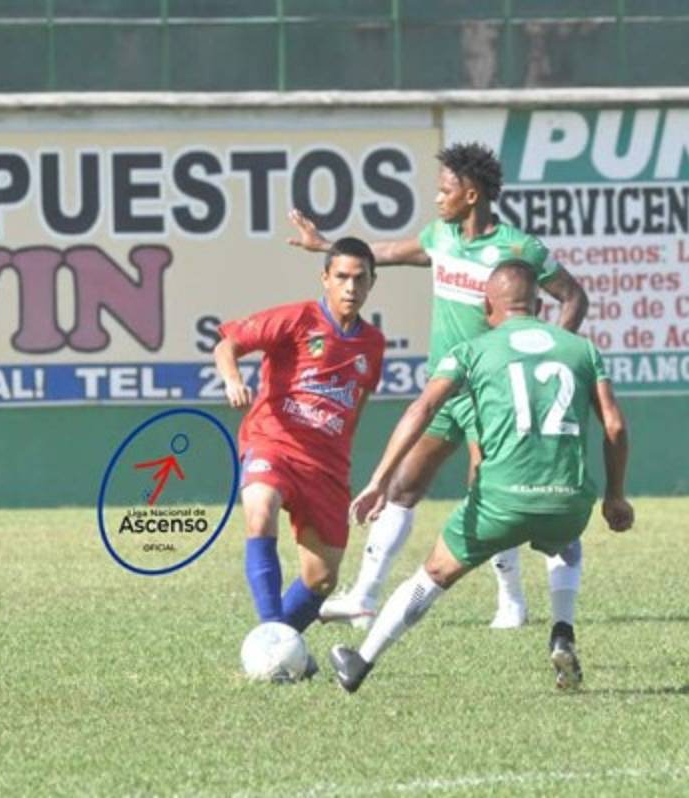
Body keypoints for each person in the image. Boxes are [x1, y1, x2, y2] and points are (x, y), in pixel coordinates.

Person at [288, 142, 590, 629]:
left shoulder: (518, 249)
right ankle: (365, 596)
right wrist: (325, 245)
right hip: (445, 387)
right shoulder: (440, 236)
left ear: (471, 195)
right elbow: (383, 252)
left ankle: (511, 601)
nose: (437, 199)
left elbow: (573, 296)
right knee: (404, 486)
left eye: (445, 190)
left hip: (492, 393)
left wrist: (546, 348)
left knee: (490, 489)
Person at [327, 262, 632, 693]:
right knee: (565, 539)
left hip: (500, 502)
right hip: (568, 501)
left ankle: (360, 661)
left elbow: (422, 410)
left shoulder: (471, 350)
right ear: (540, 305)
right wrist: (615, 496)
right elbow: (616, 426)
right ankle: (562, 630)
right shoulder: (581, 349)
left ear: (489, 306)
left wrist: (380, 478)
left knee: (432, 576)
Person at [214, 237, 385, 676]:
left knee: (321, 579)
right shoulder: (297, 319)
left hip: (326, 466)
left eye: (360, 278)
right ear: (324, 279)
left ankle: (276, 653)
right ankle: (272, 637)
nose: (350, 286)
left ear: (371, 283)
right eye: (341, 277)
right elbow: (227, 344)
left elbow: (356, 410)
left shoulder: (372, 345)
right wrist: (232, 380)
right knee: (259, 511)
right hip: (272, 441)